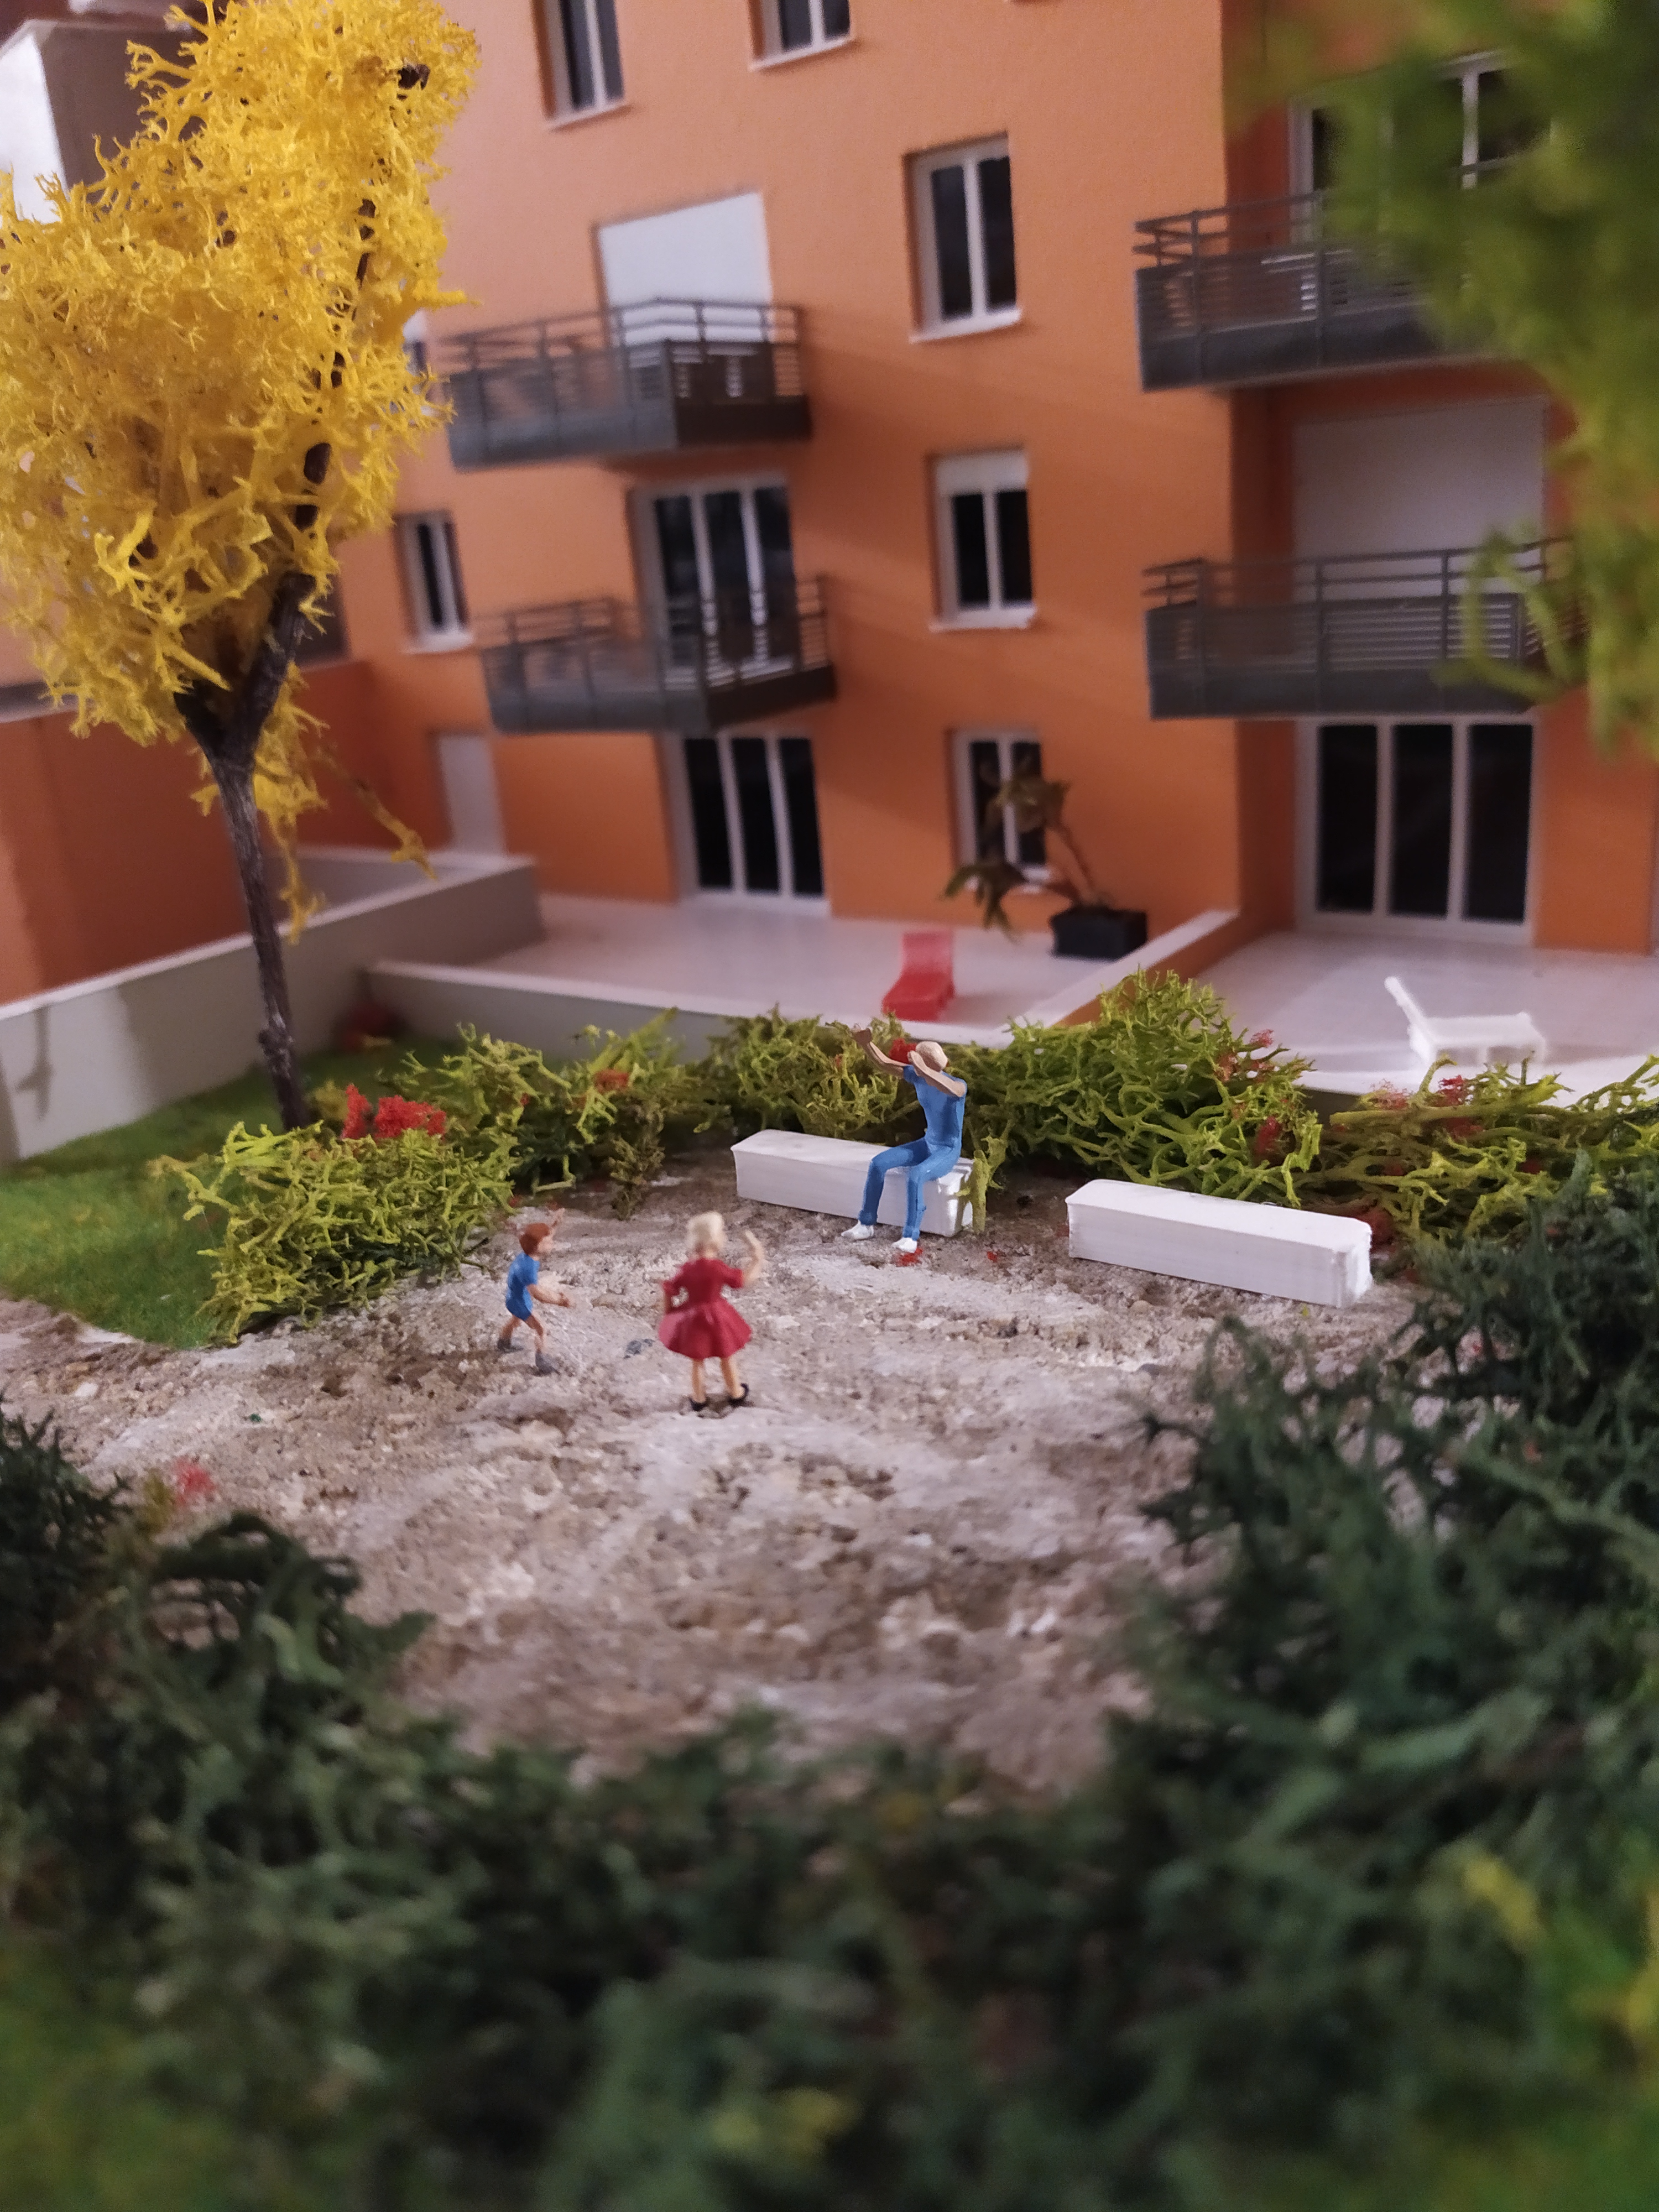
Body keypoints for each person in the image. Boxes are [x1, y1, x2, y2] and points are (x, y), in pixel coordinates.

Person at [841, 1030, 967, 1254]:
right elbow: (886, 1063)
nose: (911, 1059)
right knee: (878, 1164)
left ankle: (910, 1236)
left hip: (947, 1150)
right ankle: (866, 1224)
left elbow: (950, 1089)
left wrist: (924, 1069)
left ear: (928, 1063)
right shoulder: (918, 1076)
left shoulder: (958, 1085)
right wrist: (866, 1044)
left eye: (917, 1057)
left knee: (916, 1175)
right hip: (927, 1143)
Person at [659, 1211, 765, 1413]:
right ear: (714, 1239)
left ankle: (698, 1398)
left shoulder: (687, 1268)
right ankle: (736, 1392)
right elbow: (742, 1280)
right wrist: (757, 1261)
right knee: (727, 1356)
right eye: (722, 1232)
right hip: (717, 1315)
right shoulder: (717, 1268)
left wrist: (669, 1310)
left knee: (697, 1360)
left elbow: (670, 1288)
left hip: (693, 1317)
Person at [497, 1217, 571, 1375]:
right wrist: (560, 1301)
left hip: (513, 1298)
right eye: (548, 1242)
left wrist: (555, 1225)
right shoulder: (528, 1268)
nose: (553, 1244)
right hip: (520, 1302)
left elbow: (533, 1236)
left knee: (515, 1321)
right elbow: (537, 1294)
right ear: (537, 1246)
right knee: (541, 1329)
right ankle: (542, 1360)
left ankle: (503, 1342)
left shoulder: (526, 1253)